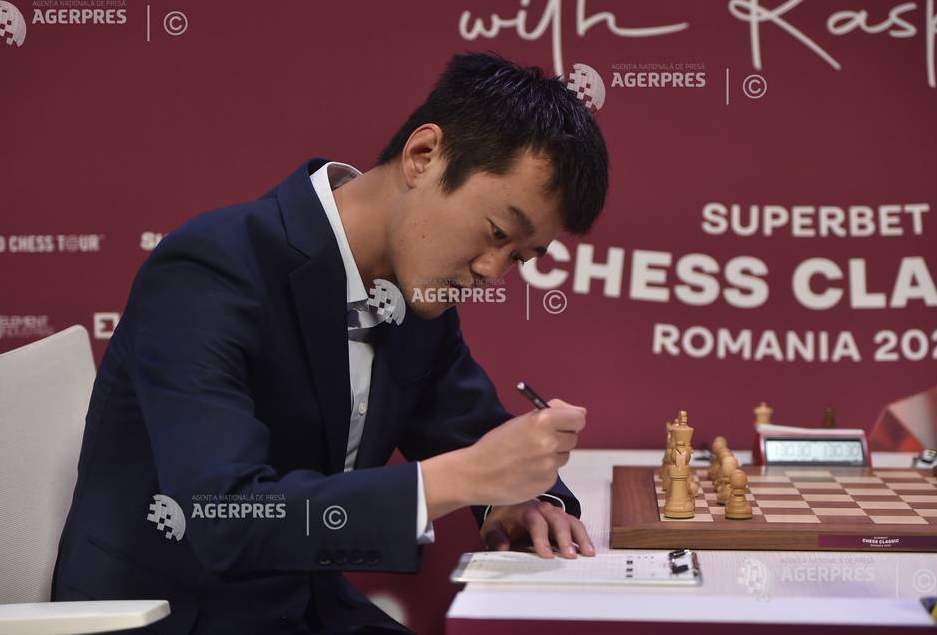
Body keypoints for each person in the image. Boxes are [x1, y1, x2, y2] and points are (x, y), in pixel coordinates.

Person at [51, 52, 610, 634]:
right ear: (424, 156)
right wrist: (469, 477)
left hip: (301, 608)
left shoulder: (415, 289)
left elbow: (475, 430)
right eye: (496, 232)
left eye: (520, 257)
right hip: (173, 617)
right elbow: (225, 516)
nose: (492, 271)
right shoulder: (213, 268)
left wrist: (518, 500)